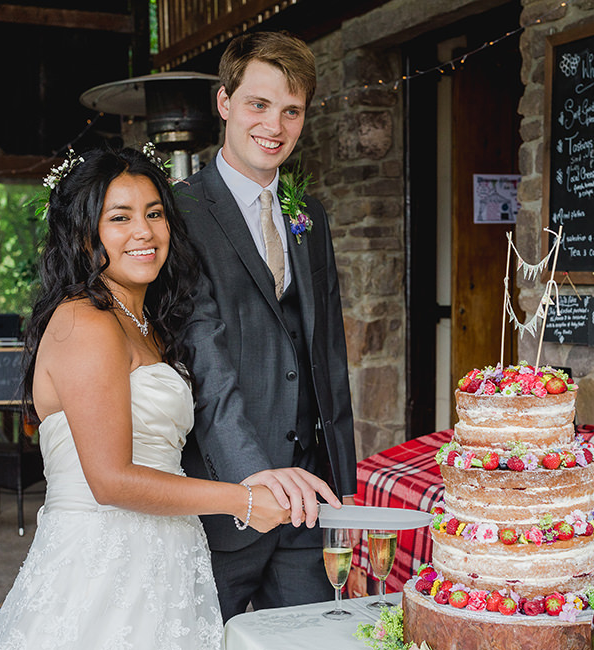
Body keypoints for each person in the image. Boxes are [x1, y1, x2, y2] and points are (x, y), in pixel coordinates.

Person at [0, 146, 341, 650]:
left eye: (154, 214)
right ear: (84, 235)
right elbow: (111, 480)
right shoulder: (85, 322)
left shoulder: (147, 324)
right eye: (120, 218)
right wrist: (244, 499)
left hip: (169, 559)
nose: (144, 232)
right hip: (103, 570)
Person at [177, 30, 357, 619]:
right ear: (224, 103)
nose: (274, 126)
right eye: (258, 104)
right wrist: (251, 481)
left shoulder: (310, 214)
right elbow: (203, 358)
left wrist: (342, 482)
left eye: (291, 111)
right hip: (225, 496)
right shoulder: (178, 214)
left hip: (308, 499)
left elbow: (327, 352)